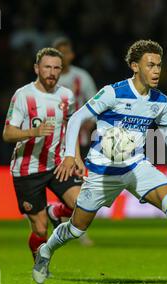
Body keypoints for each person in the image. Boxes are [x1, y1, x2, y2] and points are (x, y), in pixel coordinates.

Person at [33, 40, 167, 284]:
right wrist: (69, 154)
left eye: (159, 65)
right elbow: (77, 117)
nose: (156, 70)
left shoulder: (160, 101)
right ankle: (46, 250)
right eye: (150, 65)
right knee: (77, 229)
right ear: (134, 66)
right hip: (102, 172)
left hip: (135, 166)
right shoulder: (113, 93)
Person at [3, 47, 84, 262]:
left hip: (57, 164)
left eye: (57, 68)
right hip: (27, 169)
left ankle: (56, 211)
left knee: (82, 203)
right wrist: (33, 132)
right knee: (40, 230)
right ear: (36, 68)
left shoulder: (66, 96)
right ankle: (40, 262)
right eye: (47, 67)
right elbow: (8, 133)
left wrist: (76, 157)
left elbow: (71, 128)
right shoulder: (23, 95)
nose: (52, 72)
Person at [42, 37, 98, 246]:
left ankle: (67, 220)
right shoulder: (47, 80)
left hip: (78, 140)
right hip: (51, 141)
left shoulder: (81, 77)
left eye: (66, 52)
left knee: (77, 181)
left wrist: (88, 124)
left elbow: (95, 104)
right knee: (61, 179)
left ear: (72, 55)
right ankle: (62, 218)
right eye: (58, 52)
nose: (63, 56)